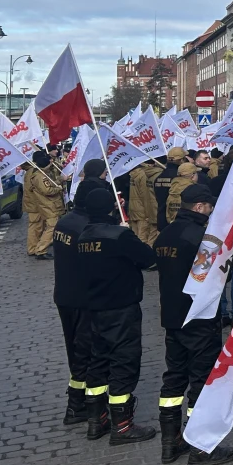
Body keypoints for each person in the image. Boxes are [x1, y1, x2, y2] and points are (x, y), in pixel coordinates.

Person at [153, 185, 233, 465]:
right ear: (200, 207)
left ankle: (170, 443)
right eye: (209, 206)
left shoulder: (165, 233)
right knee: (201, 381)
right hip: (199, 318)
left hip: (172, 317)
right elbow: (208, 278)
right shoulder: (203, 238)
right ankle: (200, 449)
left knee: (174, 378)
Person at [77, 188, 158, 444]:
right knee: (124, 362)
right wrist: (128, 234)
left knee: (98, 362)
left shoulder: (83, 237)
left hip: (95, 309)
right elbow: (148, 259)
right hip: (122, 308)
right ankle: (122, 426)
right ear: (111, 207)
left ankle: (96, 420)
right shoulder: (119, 235)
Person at [52, 195, 91, 427]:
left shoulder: (65, 222)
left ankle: (78, 399)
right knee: (84, 350)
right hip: (81, 297)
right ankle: (81, 403)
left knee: (74, 347)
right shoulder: (84, 227)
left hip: (64, 294)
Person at [26, 150, 65, 259]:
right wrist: (58, 188)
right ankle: (40, 249)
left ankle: (39, 248)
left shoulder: (40, 174)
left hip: (47, 205)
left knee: (49, 227)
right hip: (47, 205)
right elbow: (47, 190)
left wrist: (59, 181)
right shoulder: (39, 176)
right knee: (51, 227)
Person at [128, 159, 162, 248]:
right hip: (143, 211)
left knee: (135, 237)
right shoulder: (143, 175)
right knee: (143, 239)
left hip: (134, 209)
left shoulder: (135, 173)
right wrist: (149, 214)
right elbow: (146, 196)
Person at [155, 147, 187, 231]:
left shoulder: (158, 177)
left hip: (161, 219)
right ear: (181, 160)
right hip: (175, 220)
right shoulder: (179, 178)